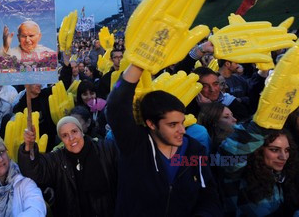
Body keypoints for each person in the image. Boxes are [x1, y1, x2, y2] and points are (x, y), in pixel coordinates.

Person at [106, 64, 222, 216]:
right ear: (151, 124)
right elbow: (116, 105)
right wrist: (138, 63)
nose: (182, 130)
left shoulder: (194, 149)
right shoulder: (135, 145)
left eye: (182, 122)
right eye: (172, 125)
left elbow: (208, 195)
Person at [19, 116, 117, 217]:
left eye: (74, 131)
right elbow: (34, 171)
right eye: (65, 135)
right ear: (61, 140)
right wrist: (29, 148)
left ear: (81, 132)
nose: (71, 138)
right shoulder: (57, 159)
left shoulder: (105, 149)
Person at [219, 128, 299, 215]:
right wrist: (257, 127)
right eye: (274, 150)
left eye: (287, 150)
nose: (283, 157)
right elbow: (226, 157)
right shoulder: (238, 173)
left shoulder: (282, 174)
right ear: (257, 150)